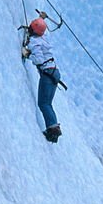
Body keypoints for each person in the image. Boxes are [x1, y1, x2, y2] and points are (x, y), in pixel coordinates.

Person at [22, 15, 64, 143]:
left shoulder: (34, 42)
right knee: (48, 103)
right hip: (54, 72)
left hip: (47, 74)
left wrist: (28, 54)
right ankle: (54, 128)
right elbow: (39, 27)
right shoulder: (43, 37)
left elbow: (39, 59)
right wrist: (41, 18)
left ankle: (53, 131)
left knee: (44, 104)